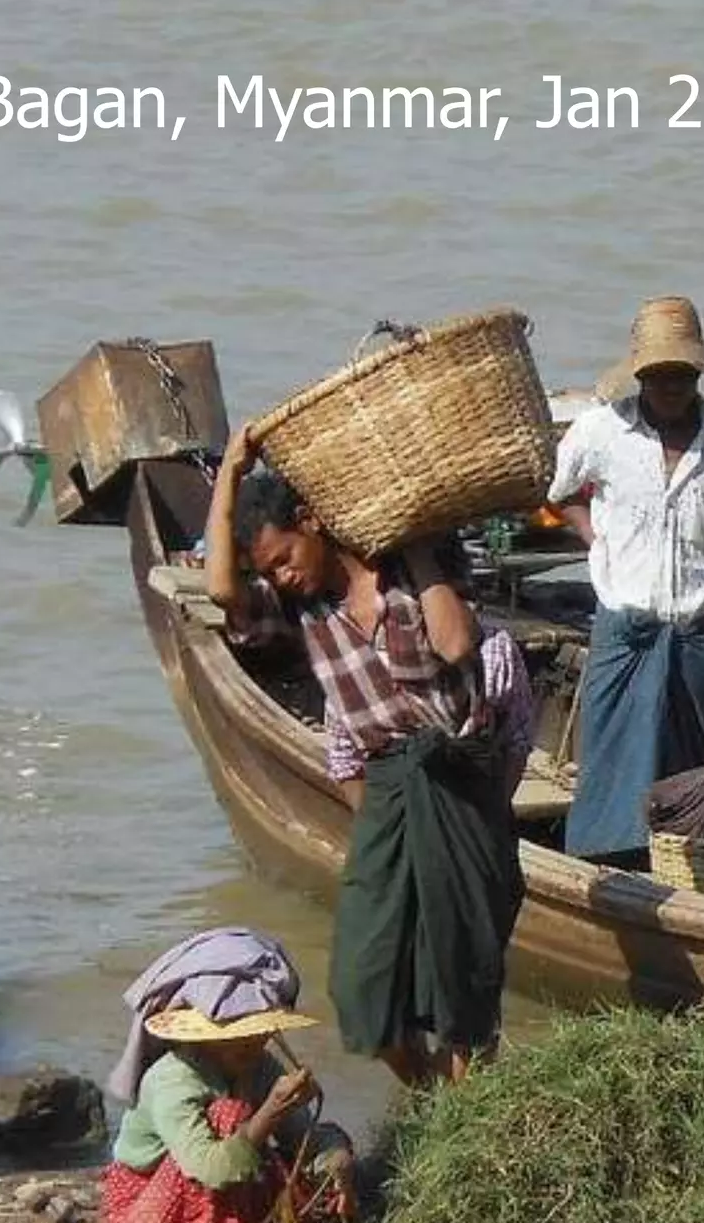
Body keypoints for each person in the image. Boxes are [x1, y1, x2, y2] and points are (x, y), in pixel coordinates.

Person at [206, 433, 530, 1086]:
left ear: (312, 523)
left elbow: (458, 642)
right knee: (362, 985)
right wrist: (231, 476)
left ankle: (463, 1108)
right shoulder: (304, 611)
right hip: (386, 785)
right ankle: (432, 1091)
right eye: (269, 572)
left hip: (458, 776)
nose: (282, 576)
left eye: (284, 558)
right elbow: (219, 591)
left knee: (461, 971)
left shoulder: (414, 571)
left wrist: (413, 545)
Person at [546, 296, 704, 865]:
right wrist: (598, 540)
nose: (670, 386)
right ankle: (598, 866)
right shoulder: (601, 431)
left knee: (688, 769)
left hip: (697, 633)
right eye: (659, 376)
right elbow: (557, 492)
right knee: (608, 760)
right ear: (639, 376)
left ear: (698, 375)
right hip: (623, 630)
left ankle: (674, 870)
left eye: (681, 375)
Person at [100, 927, 355, 1223]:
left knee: (300, 1175)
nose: (253, 1043)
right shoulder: (172, 1079)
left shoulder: (261, 1066)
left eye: (259, 1032)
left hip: (212, 1208)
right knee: (229, 1115)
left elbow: (304, 1138)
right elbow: (208, 1168)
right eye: (238, 1034)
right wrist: (269, 1112)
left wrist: (336, 1163)